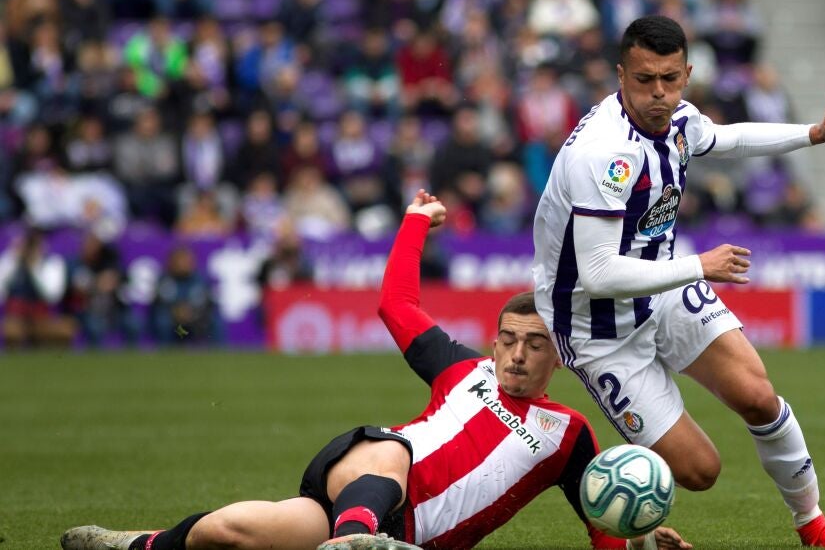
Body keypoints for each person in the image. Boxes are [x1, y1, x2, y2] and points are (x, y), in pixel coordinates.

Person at [61, 190, 691, 550]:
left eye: (533, 344)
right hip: (366, 483)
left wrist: (640, 539)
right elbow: (396, 305)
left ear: (558, 353)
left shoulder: (569, 435)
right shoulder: (461, 369)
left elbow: (602, 524)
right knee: (392, 452)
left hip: (403, 535)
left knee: (233, 532)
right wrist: (416, 222)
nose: (517, 354)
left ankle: (134, 545)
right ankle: (355, 542)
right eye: (507, 340)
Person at [531, 15, 825, 549]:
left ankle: (813, 524)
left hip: (661, 289)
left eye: (670, 79)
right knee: (699, 471)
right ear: (620, 76)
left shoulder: (680, 119)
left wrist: (812, 133)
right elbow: (597, 274)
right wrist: (699, 266)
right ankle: (623, 524)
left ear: (687, 75)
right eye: (644, 79)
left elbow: (727, 138)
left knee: (758, 397)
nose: (658, 93)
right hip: (596, 326)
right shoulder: (603, 153)